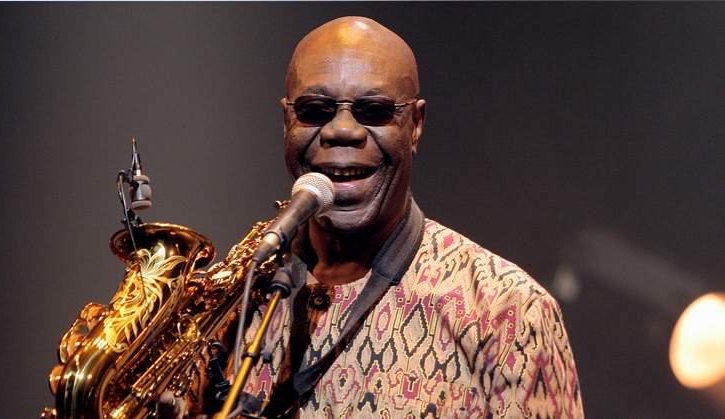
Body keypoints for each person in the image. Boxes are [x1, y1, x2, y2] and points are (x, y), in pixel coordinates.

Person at [173, 16, 584, 419]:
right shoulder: (228, 302)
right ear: (287, 122)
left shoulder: (509, 311)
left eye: (374, 110)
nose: (342, 131)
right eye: (315, 110)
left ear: (415, 125)